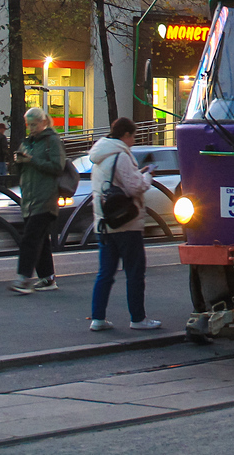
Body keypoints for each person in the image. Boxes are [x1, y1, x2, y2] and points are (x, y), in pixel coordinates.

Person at [88, 118, 162, 331]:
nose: (133, 141)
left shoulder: (100, 155)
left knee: (105, 273)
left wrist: (138, 173)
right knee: (135, 272)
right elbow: (134, 188)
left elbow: (114, 185)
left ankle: (97, 318)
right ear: (126, 135)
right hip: (126, 224)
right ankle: (138, 318)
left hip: (104, 221)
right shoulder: (120, 155)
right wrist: (147, 176)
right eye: (133, 136)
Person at [10, 107, 67, 294]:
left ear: (44, 123)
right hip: (29, 198)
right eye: (29, 125)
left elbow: (58, 167)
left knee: (30, 238)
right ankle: (48, 279)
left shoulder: (52, 141)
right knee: (40, 241)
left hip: (45, 198)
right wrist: (18, 163)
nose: (31, 129)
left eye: (34, 125)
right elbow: (22, 170)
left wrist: (31, 160)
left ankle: (23, 278)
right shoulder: (28, 142)